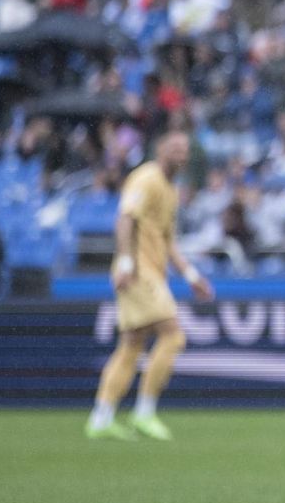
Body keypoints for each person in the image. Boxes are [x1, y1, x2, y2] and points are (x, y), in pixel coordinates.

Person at [85, 131, 215, 441]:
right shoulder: (147, 178)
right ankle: (145, 412)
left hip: (151, 271)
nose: (181, 155)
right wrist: (127, 262)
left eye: (185, 150)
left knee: (131, 346)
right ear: (160, 149)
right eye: (175, 148)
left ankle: (100, 419)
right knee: (173, 335)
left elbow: (168, 240)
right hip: (138, 271)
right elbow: (125, 219)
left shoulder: (170, 190)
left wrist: (191, 276)